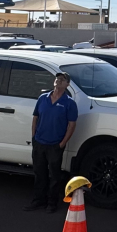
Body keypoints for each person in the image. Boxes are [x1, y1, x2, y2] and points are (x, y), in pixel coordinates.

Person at [24, 72, 77, 212]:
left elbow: (72, 125)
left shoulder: (69, 103)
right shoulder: (43, 98)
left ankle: (52, 203)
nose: (58, 81)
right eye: (57, 78)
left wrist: (62, 143)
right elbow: (35, 117)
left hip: (55, 144)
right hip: (39, 142)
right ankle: (38, 200)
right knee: (39, 173)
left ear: (68, 84)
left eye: (62, 79)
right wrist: (34, 136)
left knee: (54, 176)